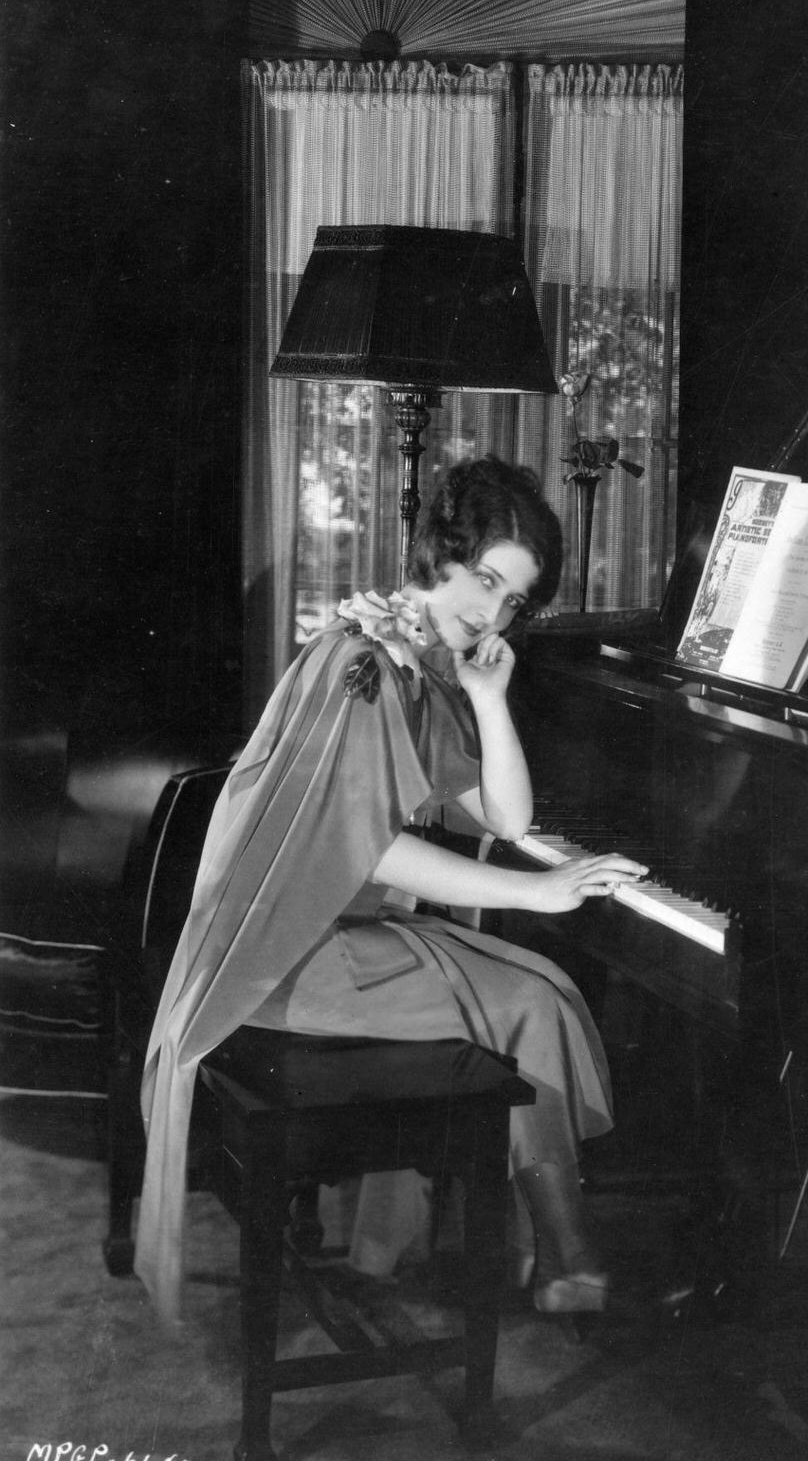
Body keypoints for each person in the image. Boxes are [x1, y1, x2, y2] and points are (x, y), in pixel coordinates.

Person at [136, 456, 645, 1327]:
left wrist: (490, 699)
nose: (491, 611)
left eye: (514, 600)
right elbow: (371, 852)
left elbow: (509, 814)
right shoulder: (361, 664)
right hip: (276, 956)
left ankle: (564, 1260)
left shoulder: (422, 665)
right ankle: (569, 1263)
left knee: (541, 993)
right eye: (485, 578)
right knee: (527, 997)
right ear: (440, 556)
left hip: (333, 937)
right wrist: (541, 894)